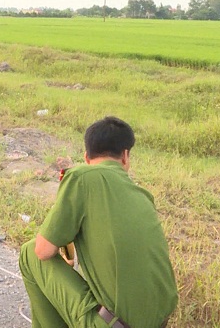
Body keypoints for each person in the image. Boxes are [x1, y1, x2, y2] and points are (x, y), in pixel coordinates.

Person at [19, 116, 177, 328]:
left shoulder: (82, 177)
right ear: (125, 157)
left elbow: (43, 251)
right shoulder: (142, 195)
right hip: (159, 322)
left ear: (86, 156)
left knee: (30, 253)